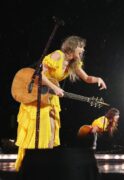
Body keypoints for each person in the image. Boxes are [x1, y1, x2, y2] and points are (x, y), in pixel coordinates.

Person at [14, 35, 107, 171]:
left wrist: (98, 79)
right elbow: (39, 74)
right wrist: (55, 88)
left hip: (50, 98)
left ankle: (45, 165)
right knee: (39, 131)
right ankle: (31, 167)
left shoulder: (73, 63)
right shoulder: (58, 55)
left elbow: (86, 78)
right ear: (73, 47)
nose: (83, 50)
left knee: (51, 131)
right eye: (81, 47)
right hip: (38, 97)